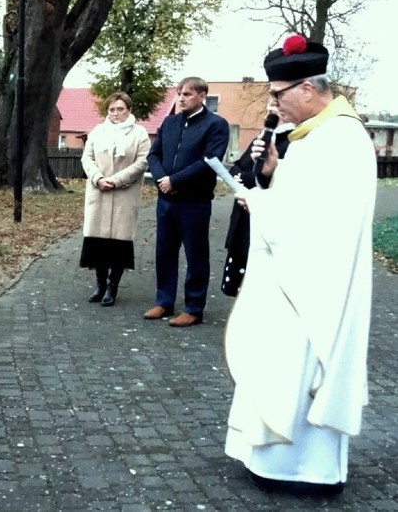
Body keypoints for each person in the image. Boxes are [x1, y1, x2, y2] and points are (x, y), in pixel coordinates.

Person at [224, 34, 376, 496]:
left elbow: (323, 226)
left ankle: (302, 469)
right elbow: (309, 197)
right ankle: (274, 460)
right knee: (280, 367)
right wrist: (273, 174)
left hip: (314, 289)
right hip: (296, 282)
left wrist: (258, 203)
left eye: (278, 94)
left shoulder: (343, 138)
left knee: (298, 370)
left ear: (308, 89)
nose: (274, 104)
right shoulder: (319, 135)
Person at [144, 77, 230, 326]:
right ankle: (164, 301)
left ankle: (193, 307)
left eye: (188, 94)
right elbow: (154, 154)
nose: (181, 98)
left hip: (195, 202)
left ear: (202, 95)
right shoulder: (170, 123)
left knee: (196, 254)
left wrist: (176, 181)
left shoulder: (216, 125)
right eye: (179, 93)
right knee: (164, 252)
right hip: (166, 200)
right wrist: (162, 179)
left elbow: (208, 161)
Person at [80, 92, 150, 306]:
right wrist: (98, 178)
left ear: (129, 109)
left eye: (120, 109)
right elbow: (87, 157)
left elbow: (142, 162)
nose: (116, 113)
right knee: (98, 243)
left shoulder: (140, 134)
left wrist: (117, 180)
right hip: (99, 192)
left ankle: (113, 287)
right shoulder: (98, 131)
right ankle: (100, 285)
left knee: (118, 243)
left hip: (123, 194)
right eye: (112, 109)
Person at [220, 100, 293, 297]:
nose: (270, 109)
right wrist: (242, 174)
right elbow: (237, 166)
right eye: (269, 105)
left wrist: (246, 177)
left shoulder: (293, 142)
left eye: (275, 106)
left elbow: (278, 176)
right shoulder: (262, 138)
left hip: (266, 218)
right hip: (244, 216)